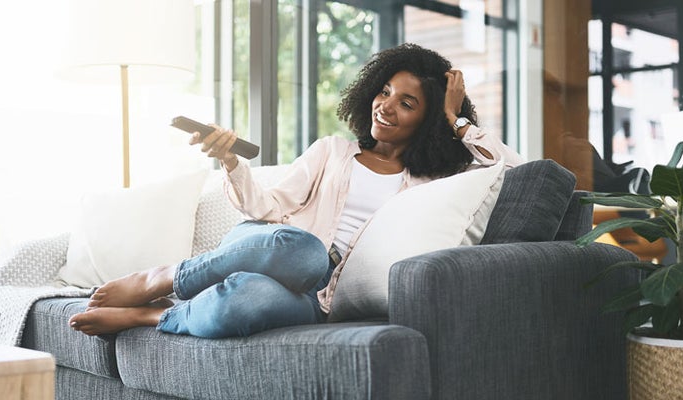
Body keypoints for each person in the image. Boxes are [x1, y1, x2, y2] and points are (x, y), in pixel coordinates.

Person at [69, 43, 525, 338]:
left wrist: (457, 121)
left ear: (427, 121)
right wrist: (230, 159)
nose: (385, 106)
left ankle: (152, 316)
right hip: (280, 251)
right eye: (384, 91)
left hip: (322, 297)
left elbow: (514, 171)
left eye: (406, 103)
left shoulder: (433, 183)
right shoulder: (332, 152)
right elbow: (264, 207)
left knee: (247, 299)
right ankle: (163, 278)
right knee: (305, 251)